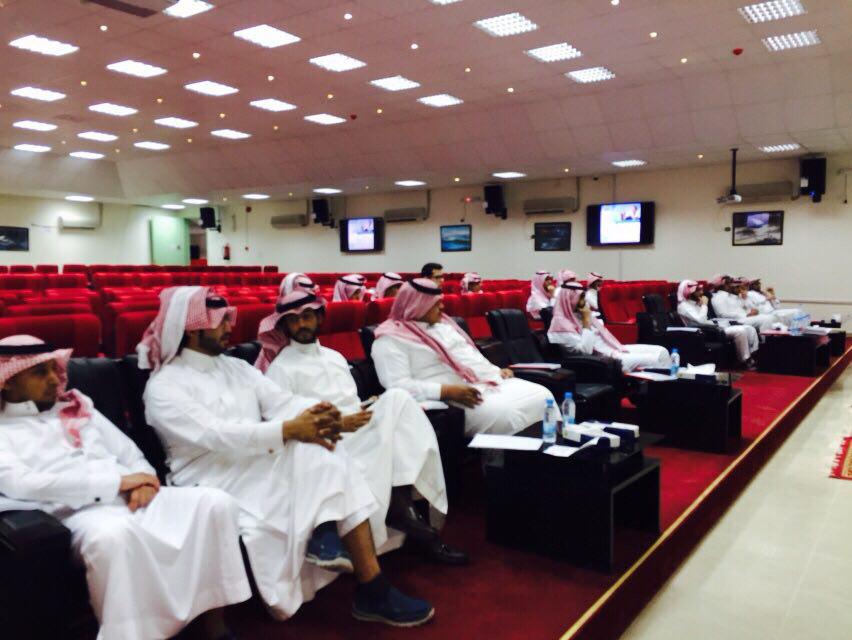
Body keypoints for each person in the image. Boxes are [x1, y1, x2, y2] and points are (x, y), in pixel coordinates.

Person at [139, 287, 435, 627]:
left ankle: (360, 574)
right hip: (209, 475)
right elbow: (216, 434)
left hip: (257, 459)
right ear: (192, 329)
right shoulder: (164, 386)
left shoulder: (235, 367)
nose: (229, 327)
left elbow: (280, 401)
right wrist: (289, 430)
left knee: (322, 445)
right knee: (311, 446)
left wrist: (322, 415)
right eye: (220, 322)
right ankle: (351, 565)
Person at [0, 335, 251, 640]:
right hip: (78, 514)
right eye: (40, 372)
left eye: (54, 369)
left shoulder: (78, 405)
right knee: (115, 536)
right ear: (8, 381)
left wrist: (143, 481)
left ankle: (213, 626)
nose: (54, 379)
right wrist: (118, 484)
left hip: (132, 497)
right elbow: (22, 483)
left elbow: (129, 452)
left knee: (215, 503)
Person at [256, 289, 467, 565]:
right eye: (293, 320)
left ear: (320, 317)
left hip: (357, 426)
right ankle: (407, 515)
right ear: (284, 326)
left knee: (398, 398)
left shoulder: (335, 357)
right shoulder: (281, 369)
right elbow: (287, 423)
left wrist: (367, 407)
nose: (301, 325)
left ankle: (404, 509)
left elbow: (350, 403)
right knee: (395, 434)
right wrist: (340, 423)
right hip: (327, 440)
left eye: (307, 316)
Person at [371, 278, 556, 436]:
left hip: (484, 384)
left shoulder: (444, 327)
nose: (442, 307)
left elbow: (471, 357)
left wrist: (496, 371)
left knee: (542, 394)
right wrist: (446, 391)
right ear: (416, 305)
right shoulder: (390, 339)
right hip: (449, 399)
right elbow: (397, 386)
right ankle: (500, 463)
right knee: (507, 413)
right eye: (435, 303)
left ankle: (551, 457)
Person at [548, 282, 672, 372]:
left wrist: (587, 319)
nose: (584, 302)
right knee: (655, 359)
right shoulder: (560, 324)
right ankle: (659, 395)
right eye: (580, 297)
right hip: (603, 359)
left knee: (662, 351)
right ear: (569, 299)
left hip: (614, 349)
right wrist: (586, 322)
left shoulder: (580, 314)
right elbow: (585, 351)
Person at [677, 280, 759, 366]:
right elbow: (701, 320)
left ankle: (753, 354)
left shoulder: (695, 303)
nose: (701, 293)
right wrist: (704, 305)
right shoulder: (684, 306)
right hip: (705, 332)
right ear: (689, 293)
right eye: (698, 291)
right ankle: (745, 360)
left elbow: (705, 319)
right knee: (740, 331)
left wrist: (701, 306)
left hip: (712, 327)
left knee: (749, 328)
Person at [712, 277, 777, 331]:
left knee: (769, 317)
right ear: (723, 285)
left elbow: (741, 309)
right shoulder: (718, 297)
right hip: (735, 321)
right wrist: (746, 315)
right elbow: (722, 314)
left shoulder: (732, 296)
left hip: (743, 318)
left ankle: (767, 340)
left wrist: (749, 312)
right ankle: (766, 340)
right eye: (729, 284)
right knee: (767, 319)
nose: (731, 286)